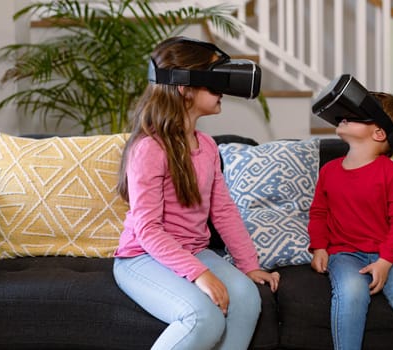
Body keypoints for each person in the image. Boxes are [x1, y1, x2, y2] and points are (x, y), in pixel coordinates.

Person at [113, 36, 280, 350]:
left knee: (246, 298)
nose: (223, 93)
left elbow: (224, 211)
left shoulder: (207, 146)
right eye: (214, 83)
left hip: (193, 250)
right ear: (184, 88)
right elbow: (148, 229)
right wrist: (199, 273)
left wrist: (249, 265)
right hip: (142, 257)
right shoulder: (149, 148)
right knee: (204, 317)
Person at [308, 92, 393, 349]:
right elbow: (319, 213)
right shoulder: (329, 171)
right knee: (351, 294)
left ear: (378, 133)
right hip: (344, 254)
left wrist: (385, 261)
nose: (343, 116)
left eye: (354, 115)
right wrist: (319, 247)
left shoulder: (392, 173)